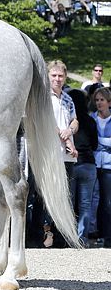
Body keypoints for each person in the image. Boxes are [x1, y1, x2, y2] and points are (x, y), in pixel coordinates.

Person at [45, 60, 78, 247]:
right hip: (51, 152)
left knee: (66, 196)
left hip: (67, 154)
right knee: (47, 195)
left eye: (60, 76)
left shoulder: (67, 98)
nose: (57, 79)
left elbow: (75, 121)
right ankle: (43, 235)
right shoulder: (44, 97)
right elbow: (49, 121)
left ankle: (62, 237)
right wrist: (66, 138)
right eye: (54, 75)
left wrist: (70, 131)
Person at [67, 89, 98, 246]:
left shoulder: (69, 122)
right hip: (88, 164)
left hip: (72, 163)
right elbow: (95, 145)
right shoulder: (90, 121)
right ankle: (82, 238)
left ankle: (69, 237)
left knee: (70, 202)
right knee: (86, 203)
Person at [91, 87, 111, 248]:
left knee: (107, 202)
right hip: (94, 164)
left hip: (109, 167)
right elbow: (91, 142)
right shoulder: (92, 118)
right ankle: (95, 232)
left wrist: (100, 142)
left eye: (102, 100)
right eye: (97, 100)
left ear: (108, 102)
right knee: (93, 201)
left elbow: (98, 142)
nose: (99, 103)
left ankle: (107, 235)